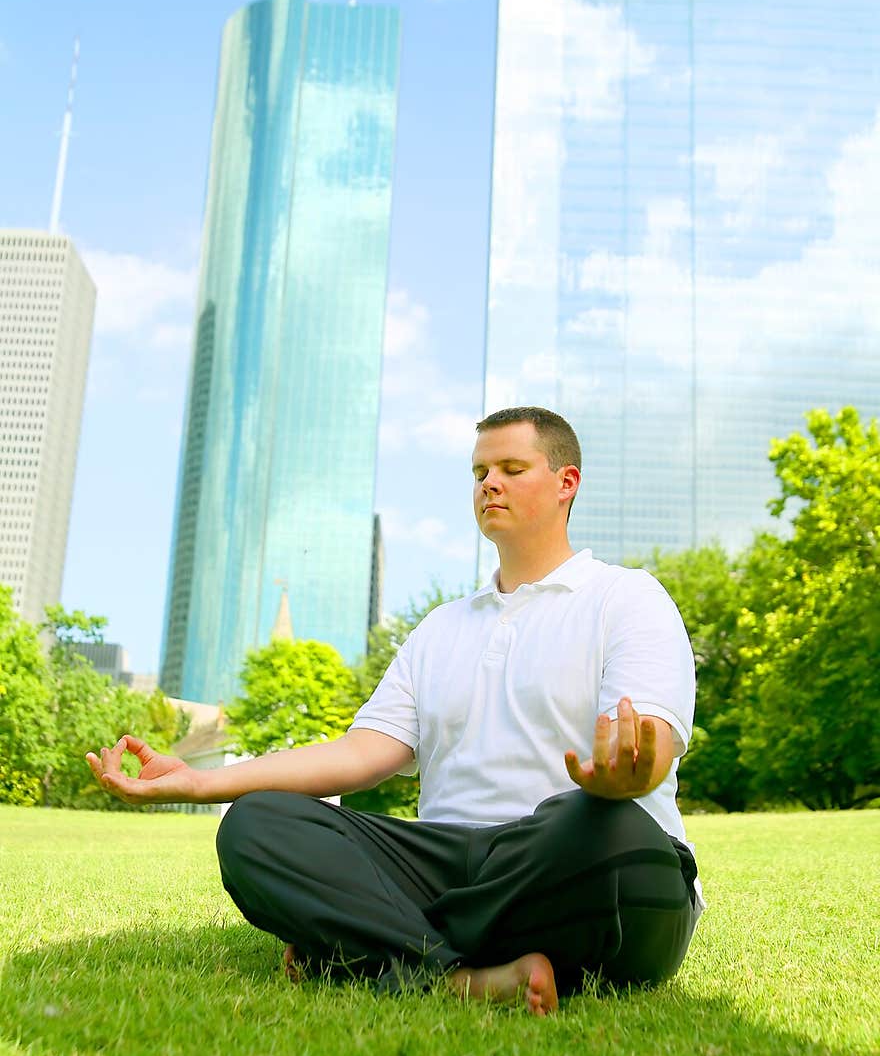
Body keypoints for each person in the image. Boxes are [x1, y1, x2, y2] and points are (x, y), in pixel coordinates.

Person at [87, 406, 703, 1016]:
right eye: (480, 471)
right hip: (447, 861)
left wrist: (629, 778)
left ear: (567, 483)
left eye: (512, 468)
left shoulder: (627, 598)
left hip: (576, 858)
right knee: (258, 826)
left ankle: (367, 942)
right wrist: (200, 781)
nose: (489, 484)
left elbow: (650, 740)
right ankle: (451, 976)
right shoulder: (441, 628)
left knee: (604, 828)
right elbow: (361, 754)